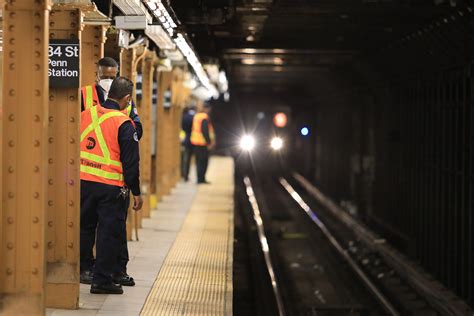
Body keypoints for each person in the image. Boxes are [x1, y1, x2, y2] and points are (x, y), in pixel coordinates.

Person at [80, 77, 143, 294]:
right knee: (108, 233)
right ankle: (102, 281)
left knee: (85, 228)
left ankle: (84, 270)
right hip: (110, 187)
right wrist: (136, 191)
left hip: (83, 182)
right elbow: (131, 163)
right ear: (126, 98)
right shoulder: (124, 123)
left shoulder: (85, 114)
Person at [81, 57, 143, 139]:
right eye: (104, 77)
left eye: (112, 78)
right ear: (97, 75)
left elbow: (137, 130)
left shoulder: (125, 97)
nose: (108, 81)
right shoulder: (84, 94)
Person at [190, 103, 215, 184]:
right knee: (203, 162)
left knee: (198, 162)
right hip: (203, 144)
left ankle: (199, 178)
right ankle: (201, 179)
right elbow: (205, 131)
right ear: (206, 109)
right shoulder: (204, 117)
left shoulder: (196, 116)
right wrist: (209, 143)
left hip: (196, 143)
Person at [181, 105, 196, 182]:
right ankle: (187, 175)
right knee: (190, 158)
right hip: (193, 139)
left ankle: (184, 175)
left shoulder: (183, 117)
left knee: (185, 158)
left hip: (185, 139)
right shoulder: (194, 116)